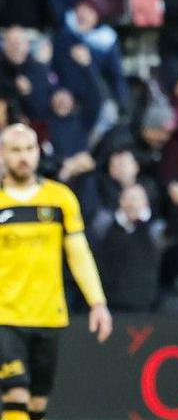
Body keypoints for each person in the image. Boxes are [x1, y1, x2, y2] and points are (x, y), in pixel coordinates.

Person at [0, 124, 112, 420]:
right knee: (16, 394)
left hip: (48, 314)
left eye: (28, 149)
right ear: (2, 154)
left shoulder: (60, 198)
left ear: (38, 152)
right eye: (15, 150)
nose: (23, 157)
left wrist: (97, 302)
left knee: (37, 404)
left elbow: (79, 253)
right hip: (5, 317)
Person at [93, 184, 160, 313]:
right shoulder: (104, 225)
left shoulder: (154, 228)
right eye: (128, 198)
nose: (132, 203)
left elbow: (172, 234)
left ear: (145, 203)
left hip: (143, 301)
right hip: (110, 300)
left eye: (136, 199)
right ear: (120, 200)